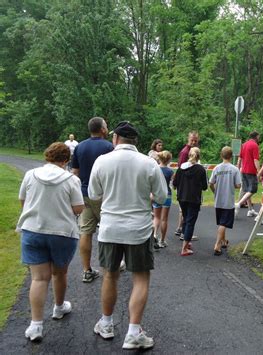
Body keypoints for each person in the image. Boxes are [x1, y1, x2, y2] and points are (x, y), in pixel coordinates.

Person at [88, 121, 167, 350]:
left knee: (110, 276)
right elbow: (162, 197)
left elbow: (93, 193)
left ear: (115, 139)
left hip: (110, 227)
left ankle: (106, 323)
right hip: (139, 230)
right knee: (140, 278)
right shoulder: (148, 163)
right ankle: (133, 332)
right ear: (136, 141)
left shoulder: (102, 161)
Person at [17, 142, 84, 342]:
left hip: (33, 230)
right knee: (59, 272)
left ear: (48, 156)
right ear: (65, 160)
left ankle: (36, 325)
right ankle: (59, 307)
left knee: (38, 279)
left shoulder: (31, 174)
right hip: (62, 233)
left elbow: (23, 200)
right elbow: (79, 207)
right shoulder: (71, 179)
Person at [71, 117, 114, 283]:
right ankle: (110, 266)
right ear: (102, 129)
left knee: (86, 232)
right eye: (106, 125)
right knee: (109, 229)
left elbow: (74, 172)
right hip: (104, 195)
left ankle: (86, 270)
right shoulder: (109, 147)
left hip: (84, 194)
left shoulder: (80, 146)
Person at [173, 147, 208, 256]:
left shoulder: (181, 168)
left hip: (182, 197)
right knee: (190, 222)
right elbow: (204, 187)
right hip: (194, 199)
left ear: (189, 155)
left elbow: (175, 183)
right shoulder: (201, 170)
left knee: (186, 218)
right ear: (199, 157)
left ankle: (186, 242)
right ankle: (184, 248)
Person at [209, 146, 241, 255]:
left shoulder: (216, 168)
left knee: (222, 222)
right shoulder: (234, 169)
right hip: (228, 200)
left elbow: (211, 183)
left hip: (218, 200)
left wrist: (215, 192)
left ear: (221, 155)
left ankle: (223, 241)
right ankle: (217, 245)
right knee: (223, 223)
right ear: (231, 156)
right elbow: (238, 185)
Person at [175, 131, 200, 237]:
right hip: (185, 186)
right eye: (192, 140)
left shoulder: (193, 151)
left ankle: (183, 230)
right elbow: (180, 168)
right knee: (185, 211)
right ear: (188, 139)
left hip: (188, 186)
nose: (194, 142)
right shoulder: (185, 152)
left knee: (186, 211)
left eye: (195, 140)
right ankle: (182, 230)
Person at [235, 131, 260, 217]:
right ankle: (239, 204)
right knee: (253, 189)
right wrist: (259, 172)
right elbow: (256, 160)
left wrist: (238, 169)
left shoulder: (244, 145)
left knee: (247, 190)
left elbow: (240, 158)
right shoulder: (255, 145)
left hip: (243, 171)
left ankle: (250, 210)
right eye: (258, 137)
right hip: (251, 171)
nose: (259, 138)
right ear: (256, 137)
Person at [152, 150, 174, 249]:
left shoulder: (155, 169)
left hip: (157, 194)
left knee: (156, 217)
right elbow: (173, 184)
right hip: (167, 195)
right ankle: (162, 240)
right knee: (164, 219)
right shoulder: (170, 171)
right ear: (169, 160)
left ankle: (154, 235)